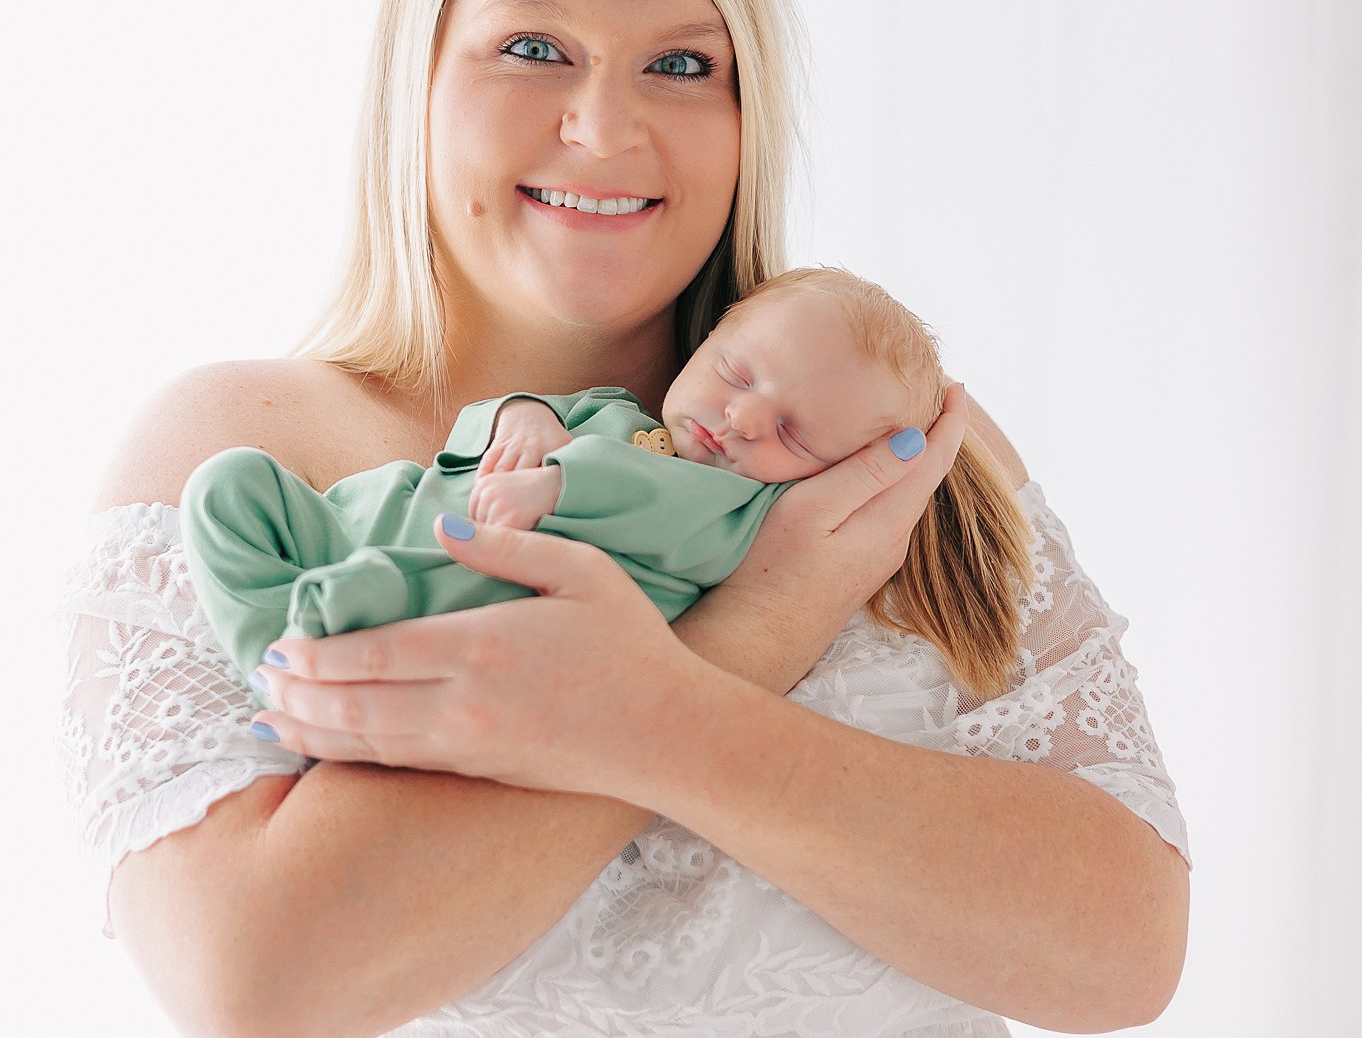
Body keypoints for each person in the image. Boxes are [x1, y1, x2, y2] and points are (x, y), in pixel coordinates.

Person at [55, 0, 1191, 1038]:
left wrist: (664, 718)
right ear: (415, 81)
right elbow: (254, 987)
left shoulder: (882, 438)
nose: (602, 127)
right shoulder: (244, 447)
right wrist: (747, 635)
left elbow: (1123, 952)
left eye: (681, 65)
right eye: (532, 49)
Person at [179, 267, 1035, 724]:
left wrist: (561, 482)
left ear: (832, 475)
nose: (739, 419)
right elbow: (474, 428)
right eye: (735, 373)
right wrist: (520, 417)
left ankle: (330, 630)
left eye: (793, 436)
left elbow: (669, 515)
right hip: (367, 521)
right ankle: (274, 654)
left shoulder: (739, 515)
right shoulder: (612, 414)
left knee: (386, 594)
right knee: (229, 484)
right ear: (712, 339)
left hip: (462, 594)